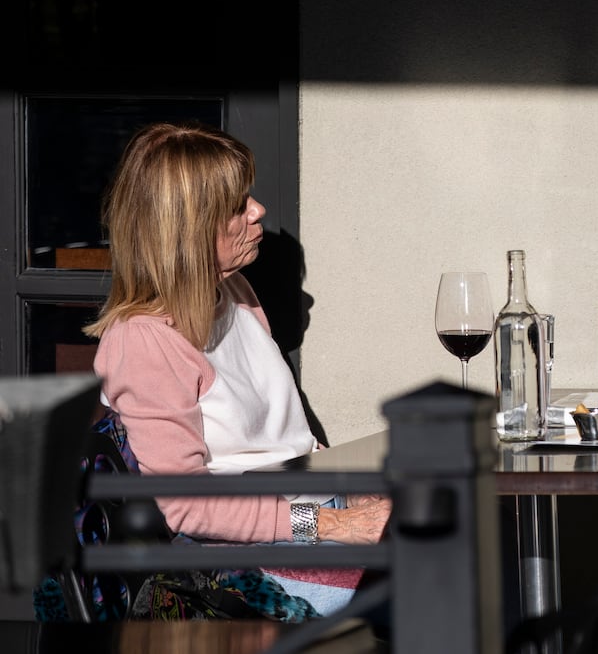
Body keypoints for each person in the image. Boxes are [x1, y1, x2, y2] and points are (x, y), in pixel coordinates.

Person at [84, 122, 391, 616]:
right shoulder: (143, 343)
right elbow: (188, 506)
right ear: (185, 230)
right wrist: (333, 524)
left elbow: (285, 441)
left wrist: (360, 495)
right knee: (453, 569)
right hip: (254, 563)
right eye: (237, 205)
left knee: (477, 526)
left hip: (313, 513)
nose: (258, 211)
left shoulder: (234, 295)